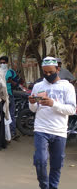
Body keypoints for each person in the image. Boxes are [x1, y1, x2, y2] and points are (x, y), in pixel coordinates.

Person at [28, 57, 76, 189]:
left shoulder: (67, 87)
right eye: (45, 72)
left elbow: (72, 109)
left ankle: (53, 187)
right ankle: (44, 186)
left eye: (51, 72)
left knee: (56, 164)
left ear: (58, 69)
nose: (48, 75)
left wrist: (53, 103)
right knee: (40, 161)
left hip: (59, 131)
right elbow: (33, 109)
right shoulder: (38, 86)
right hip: (41, 128)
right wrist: (32, 103)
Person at [0, 56, 19, 140]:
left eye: (4, 63)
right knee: (0, 115)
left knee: (10, 114)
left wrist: (11, 81)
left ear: (7, 63)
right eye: (1, 63)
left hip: (9, 95)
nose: (2, 64)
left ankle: (13, 132)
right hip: (0, 96)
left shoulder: (11, 72)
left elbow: (17, 84)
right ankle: (2, 133)